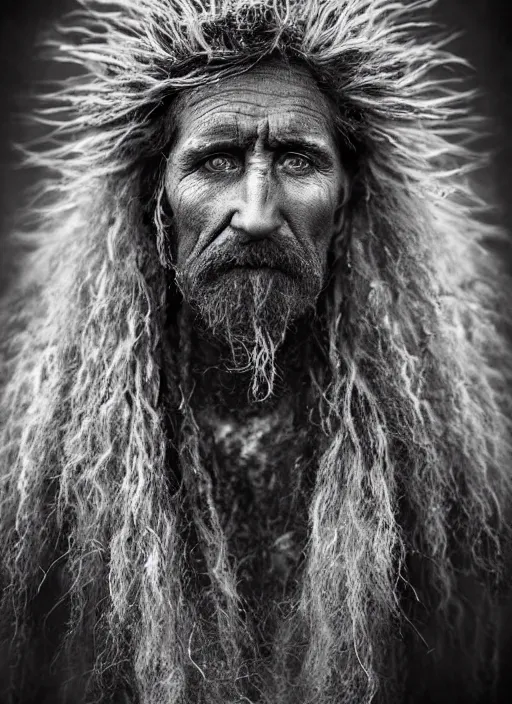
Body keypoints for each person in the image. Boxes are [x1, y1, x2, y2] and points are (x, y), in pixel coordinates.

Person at [0, 0, 511, 702]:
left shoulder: (458, 491)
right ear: (155, 200)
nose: (259, 211)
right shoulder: (40, 496)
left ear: (350, 200)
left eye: (299, 160)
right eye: (216, 160)